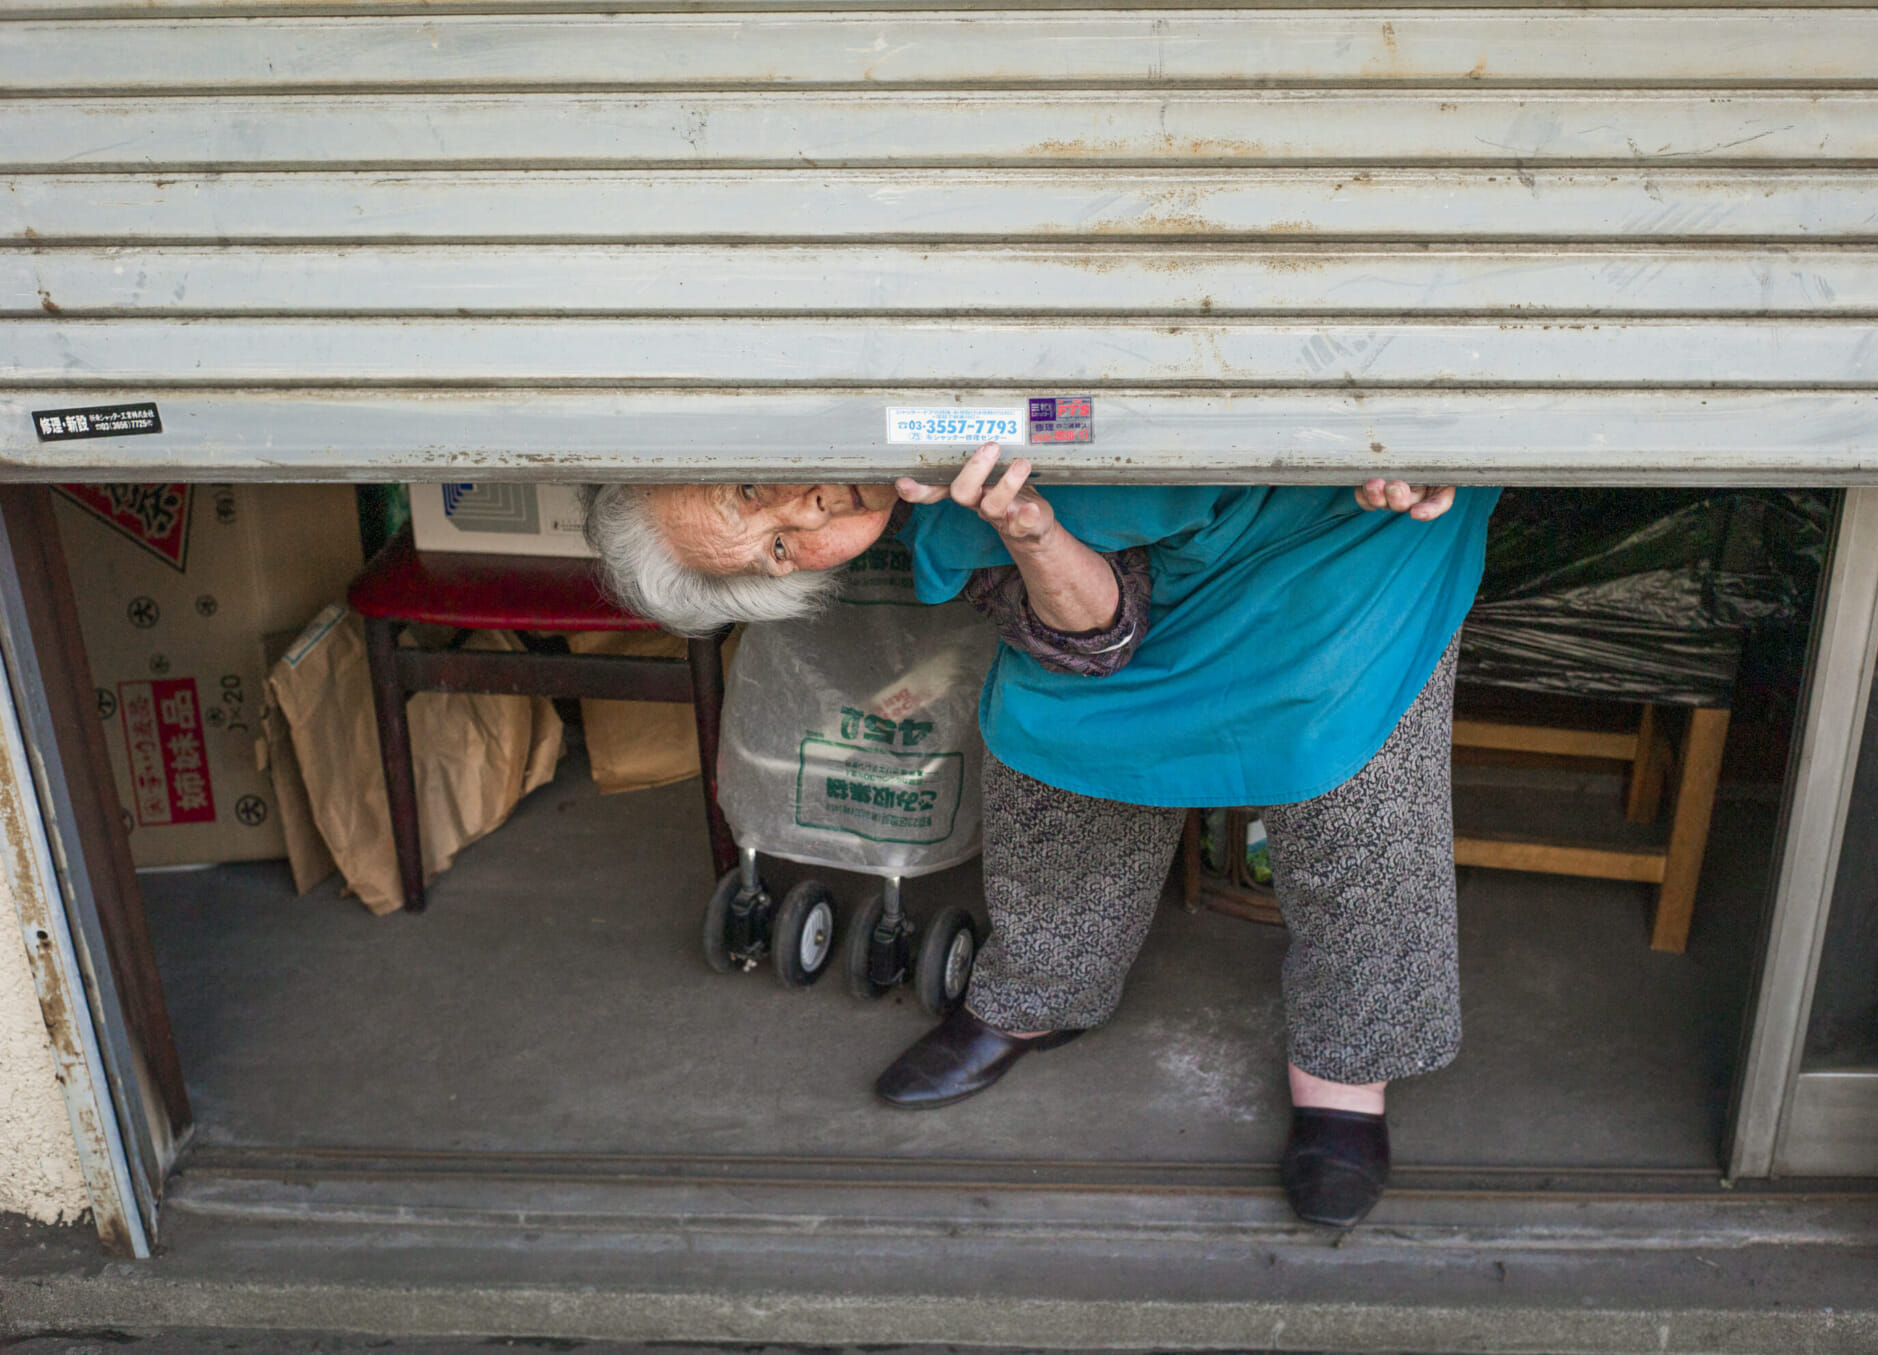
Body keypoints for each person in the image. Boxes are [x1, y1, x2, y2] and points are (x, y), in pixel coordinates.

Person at [585, 452, 1498, 1228]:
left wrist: (1381, 431)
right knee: (1047, 730)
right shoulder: (910, 515)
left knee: (1343, 759)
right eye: (781, 547)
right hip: (1139, 582)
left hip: (1324, 531)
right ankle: (1041, 988)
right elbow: (1100, 638)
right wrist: (1026, 530)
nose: (803, 512)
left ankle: (1350, 1067)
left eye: (747, 492)